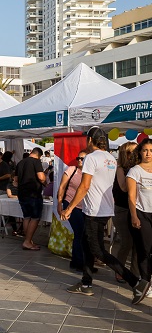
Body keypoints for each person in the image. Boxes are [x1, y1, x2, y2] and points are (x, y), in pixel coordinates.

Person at [62, 127, 149, 305]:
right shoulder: (111, 158)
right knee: (87, 246)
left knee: (98, 251)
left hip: (93, 211)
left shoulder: (90, 158)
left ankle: (135, 282)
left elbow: (85, 186)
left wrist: (69, 208)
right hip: (105, 209)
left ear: (90, 141)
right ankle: (86, 284)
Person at [127, 138, 152, 300]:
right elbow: (131, 196)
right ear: (140, 152)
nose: (149, 154)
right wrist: (134, 216)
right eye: (145, 150)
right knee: (145, 250)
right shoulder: (135, 170)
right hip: (142, 214)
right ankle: (146, 283)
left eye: (151, 151)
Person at [112, 142, 139, 282]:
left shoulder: (139, 168)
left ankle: (135, 273)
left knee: (137, 243)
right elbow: (123, 187)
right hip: (122, 210)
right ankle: (120, 270)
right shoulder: (121, 169)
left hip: (136, 210)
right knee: (126, 242)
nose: (135, 154)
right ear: (125, 154)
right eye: (132, 152)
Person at [57, 149, 87, 272]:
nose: (79, 161)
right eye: (78, 158)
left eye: (82, 159)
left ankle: (79, 261)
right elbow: (62, 186)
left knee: (84, 234)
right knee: (79, 232)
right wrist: (59, 203)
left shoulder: (89, 173)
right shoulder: (71, 170)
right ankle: (79, 262)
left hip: (86, 207)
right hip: (70, 204)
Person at [16, 148, 46, 251]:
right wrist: (45, 183)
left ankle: (28, 240)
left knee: (26, 217)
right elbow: (41, 177)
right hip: (33, 193)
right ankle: (27, 241)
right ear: (39, 155)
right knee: (35, 217)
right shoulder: (36, 162)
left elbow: (15, 180)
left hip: (22, 193)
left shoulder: (20, 163)